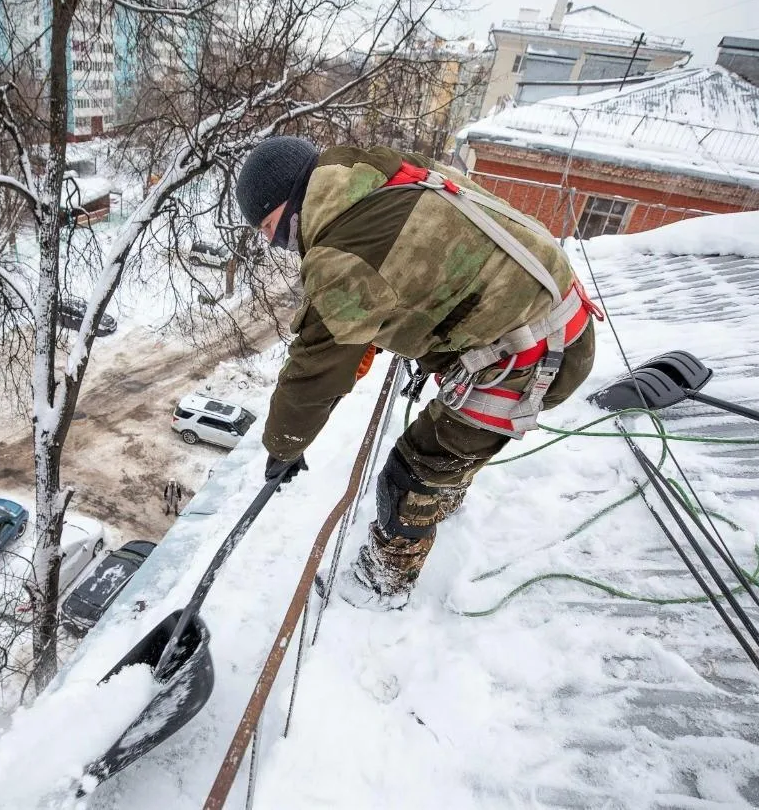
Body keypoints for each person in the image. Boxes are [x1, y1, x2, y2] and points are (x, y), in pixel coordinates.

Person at [235, 137, 600, 609]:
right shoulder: (371, 171)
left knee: (412, 471)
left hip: (532, 357)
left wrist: (282, 447)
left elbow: (313, 372)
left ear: (290, 203)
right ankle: (443, 494)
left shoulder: (342, 257)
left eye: (268, 226)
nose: (270, 241)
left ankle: (380, 585)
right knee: (445, 449)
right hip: (557, 315)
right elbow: (406, 274)